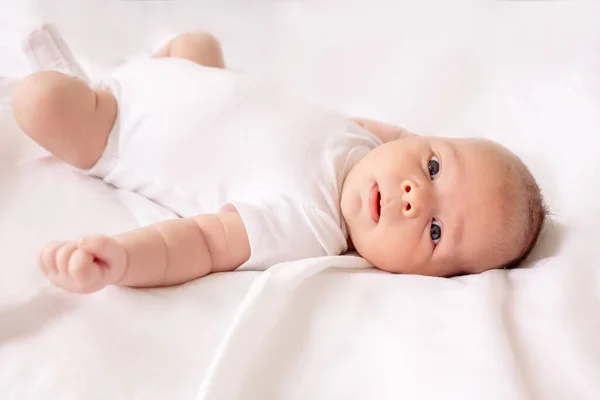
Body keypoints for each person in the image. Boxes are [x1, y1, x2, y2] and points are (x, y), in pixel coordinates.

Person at [11, 32, 547, 294]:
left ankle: (83, 96)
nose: (414, 195)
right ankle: (167, 66)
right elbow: (395, 135)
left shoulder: (307, 226)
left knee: (39, 100)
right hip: (181, 77)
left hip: (116, 126)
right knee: (200, 42)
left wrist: (123, 260)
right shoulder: (366, 143)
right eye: (432, 168)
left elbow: (201, 244)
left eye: (434, 230)